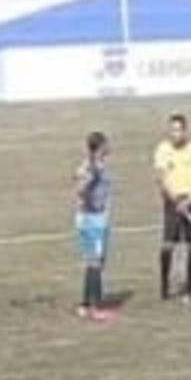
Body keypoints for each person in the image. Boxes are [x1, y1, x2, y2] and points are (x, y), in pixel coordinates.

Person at [153, 113, 191, 302]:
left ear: (185, 130)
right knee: (168, 245)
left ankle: (190, 287)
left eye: (178, 130)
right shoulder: (162, 150)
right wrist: (174, 199)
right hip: (173, 203)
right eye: (172, 130)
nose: (175, 134)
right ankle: (164, 286)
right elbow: (160, 178)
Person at [73, 131, 115, 322]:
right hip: (93, 220)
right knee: (95, 262)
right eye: (105, 144)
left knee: (93, 262)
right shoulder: (93, 168)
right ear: (99, 147)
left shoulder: (96, 166)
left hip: (94, 218)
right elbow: (80, 189)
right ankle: (96, 306)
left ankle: (85, 304)